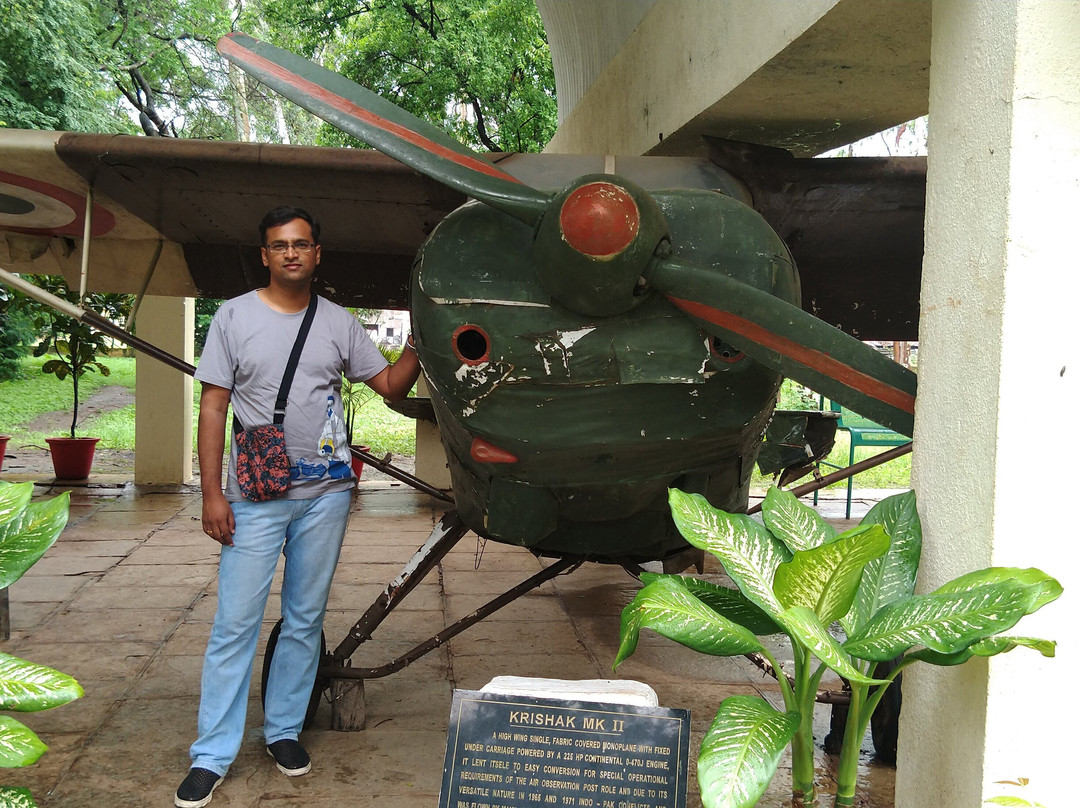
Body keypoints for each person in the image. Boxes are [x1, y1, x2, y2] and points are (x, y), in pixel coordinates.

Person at [175, 206, 421, 808]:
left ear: (317, 254)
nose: (291, 253)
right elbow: (212, 408)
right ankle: (211, 754)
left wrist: (422, 341)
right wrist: (212, 493)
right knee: (235, 624)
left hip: (325, 497)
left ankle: (283, 730)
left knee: (305, 621)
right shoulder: (234, 316)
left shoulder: (337, 323)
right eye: (280, 245)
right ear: (265, 255)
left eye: (302, 244)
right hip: (255, 498)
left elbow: (389, 388)